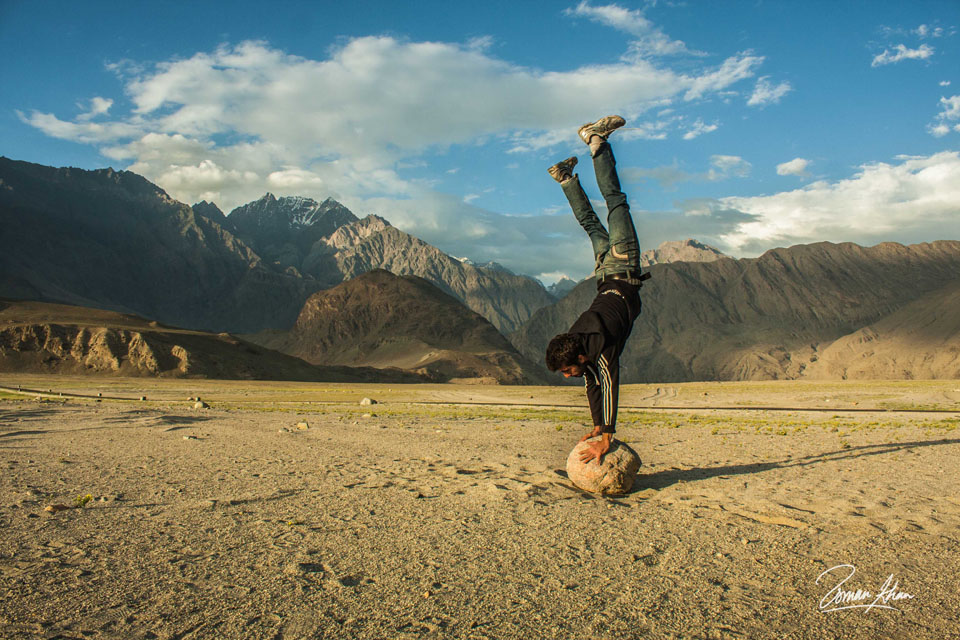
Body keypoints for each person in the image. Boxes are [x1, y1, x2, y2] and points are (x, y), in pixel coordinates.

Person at [544, 115, 648, 464]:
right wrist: (598, 426)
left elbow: (609, 384)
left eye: (568, 370)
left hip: (620, 266)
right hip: (604, 272)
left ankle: (597, 142)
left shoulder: (600, 348)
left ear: (580, 357)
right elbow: (593, 387)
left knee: (616, 201)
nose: (569, 375)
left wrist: (608, 433)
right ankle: (565, 179)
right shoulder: (578, 341)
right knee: (591, 224)